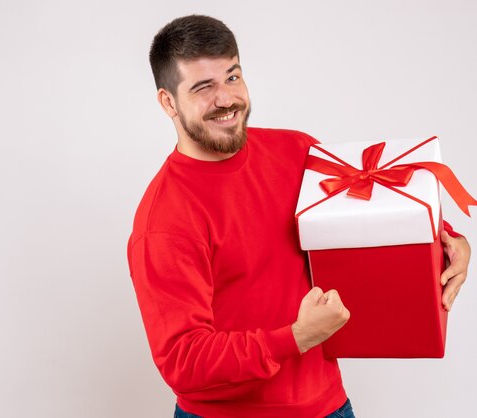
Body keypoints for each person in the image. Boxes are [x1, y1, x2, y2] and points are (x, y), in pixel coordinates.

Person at [127, 15, 471, 418]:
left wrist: (447, 241)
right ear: (168, 101)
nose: (226, 99)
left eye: (233, 77)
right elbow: (183, 362)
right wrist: (296, 338)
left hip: (330, 406)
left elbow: (368, 215)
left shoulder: (297, 151)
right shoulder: (163, 221)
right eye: (204, 87)